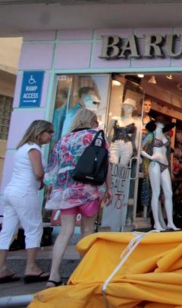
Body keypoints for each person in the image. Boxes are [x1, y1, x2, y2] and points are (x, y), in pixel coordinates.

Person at [44, 109, 112, 288]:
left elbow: (52, 168)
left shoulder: (63, 139)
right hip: (88, 190)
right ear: (92, 120)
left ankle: (53, 275)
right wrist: (108, 188)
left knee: (65, 231)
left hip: (66, 191)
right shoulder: (97, 136)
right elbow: (105, 164)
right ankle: (83, 273)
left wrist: (52, 187)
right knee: (87, 231)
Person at [0, 120, 54, 284]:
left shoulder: (21, 148)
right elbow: (38, 173)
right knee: (34, 228)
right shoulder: (34, 149)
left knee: (7, 230)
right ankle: (31, 267)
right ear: (40, 132)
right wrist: (47, 179)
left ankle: (1, 268)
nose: (51, 135)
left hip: (11, 192)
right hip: (25, 193)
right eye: (49, 132)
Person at [140, 115, 180, 231]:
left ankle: (170, 222)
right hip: (155, 164)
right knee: (156, 193)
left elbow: (167, 152)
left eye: (163, 123)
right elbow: (141, 149)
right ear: (156, 123)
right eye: (160, 122)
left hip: (165, 165)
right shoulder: (151, 135)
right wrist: (151, 157)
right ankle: (157, 223)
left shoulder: (166, 136)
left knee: (169, 193)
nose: (162, 124)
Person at [108, 99, 140, 167]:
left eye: (130, 106)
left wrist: (138, 153)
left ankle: (120, 177)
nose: (127, 107)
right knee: (112, 165)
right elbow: (108, 134)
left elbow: (136, 140)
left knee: (123, 167)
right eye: (125, 105)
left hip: (127, 145)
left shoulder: (136, 122)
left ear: (133, 108)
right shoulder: (115, 119)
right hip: (115, 144)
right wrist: (106, 146)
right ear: (123, 106)